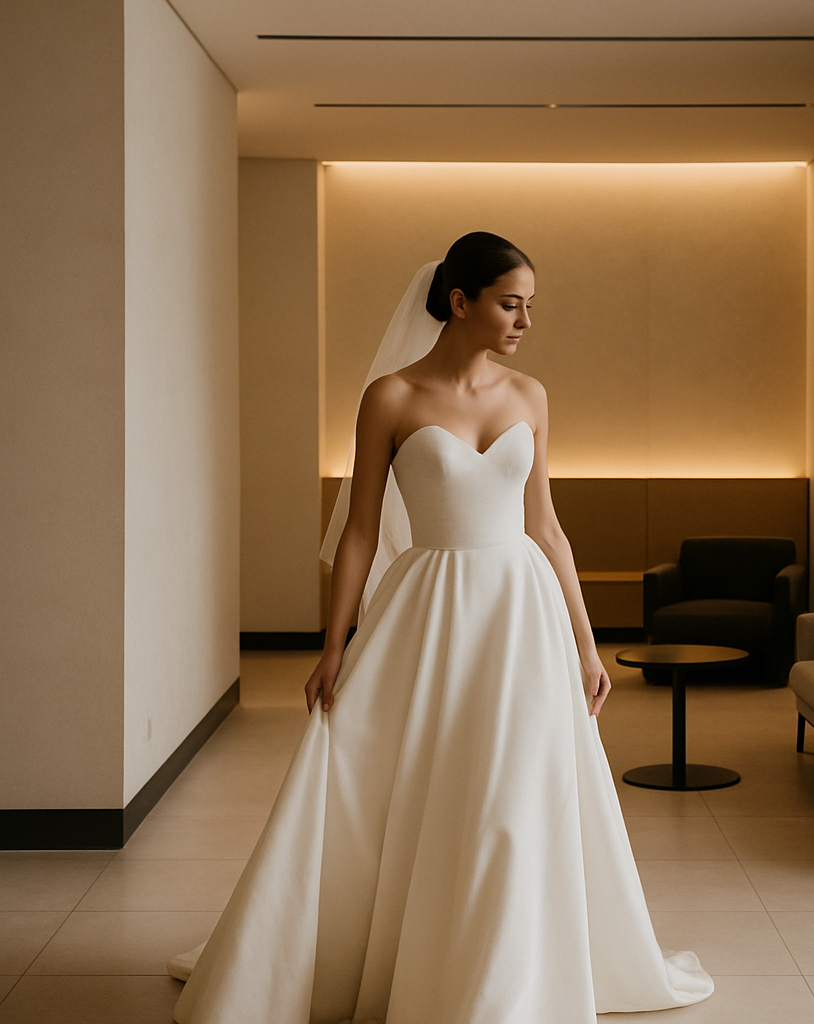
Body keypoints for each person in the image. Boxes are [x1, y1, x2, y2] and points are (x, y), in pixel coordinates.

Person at [169, 232, 713, 1024]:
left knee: (513, 793)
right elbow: (358, 532)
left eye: (530, 305)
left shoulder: (531, 396)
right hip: (428, 607)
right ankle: (414, 960)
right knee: (416, 781)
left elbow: (547, 528)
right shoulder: (390, 397)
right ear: (460, 301)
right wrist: (335, 645)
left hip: (521, 615)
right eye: (509, 303)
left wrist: (586, 645)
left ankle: (501, 979)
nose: (524, 320)